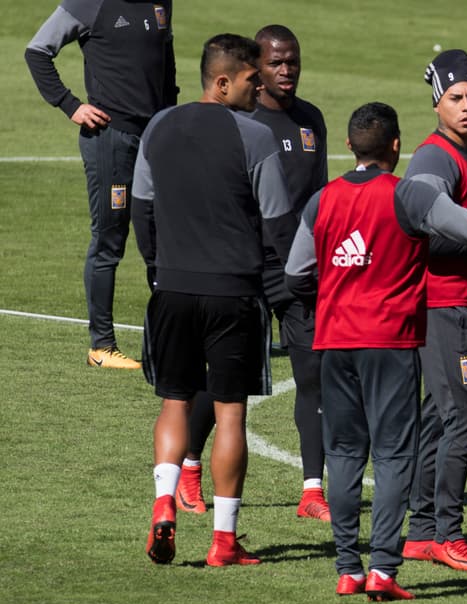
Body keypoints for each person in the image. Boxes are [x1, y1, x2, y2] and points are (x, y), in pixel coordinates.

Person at [285, 101, 467, 601]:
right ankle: (384, 570)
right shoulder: (408, 194)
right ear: (396, 145)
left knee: (345, 455)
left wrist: (334, 293)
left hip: (336, 343)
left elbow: (295, 273)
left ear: (349, 145)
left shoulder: (322, 200)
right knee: (393, 457)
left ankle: (348, 567)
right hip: (390, 343)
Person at [133, 33, 292, 567]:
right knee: (229, 415)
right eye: (252, 79)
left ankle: (164, 501)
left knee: (174, 400)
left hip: (172, 288)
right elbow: (279, 226)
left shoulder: (158, 126)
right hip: (233, 293)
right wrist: (297, 284)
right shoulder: (257, 137)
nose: (260, 87)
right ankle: (224, 541)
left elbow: (141, 210)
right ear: (222, 82)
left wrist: (158, 270)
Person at [176, 24, 331, 523]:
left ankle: (312, 490)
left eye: (293, 60)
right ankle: (190, 467)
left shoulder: (311, 120)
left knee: (313, 374)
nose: (286, 70)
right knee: (226, 376)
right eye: (275, 62)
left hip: (298, 268)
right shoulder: (240, 122)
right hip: (245, 268)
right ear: (255, 70)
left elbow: (320, 197)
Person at [26, 0, 177, 369]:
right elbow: (37, 51)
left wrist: (171, 115)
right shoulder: (89, 3)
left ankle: (169, 342)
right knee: (110, 240)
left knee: (163, 238)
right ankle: (102, 346)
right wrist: (70, 105)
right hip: (112, 139)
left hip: (155, 138)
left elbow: (165, 58)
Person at [401, 49, 467, 572]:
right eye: (456, 97)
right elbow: (422, 219)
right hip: (445, 308)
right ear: (437, 104)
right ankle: (447, 532)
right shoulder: (436, 158)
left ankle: (420, 531)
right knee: (466, 414)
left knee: (439, 416)